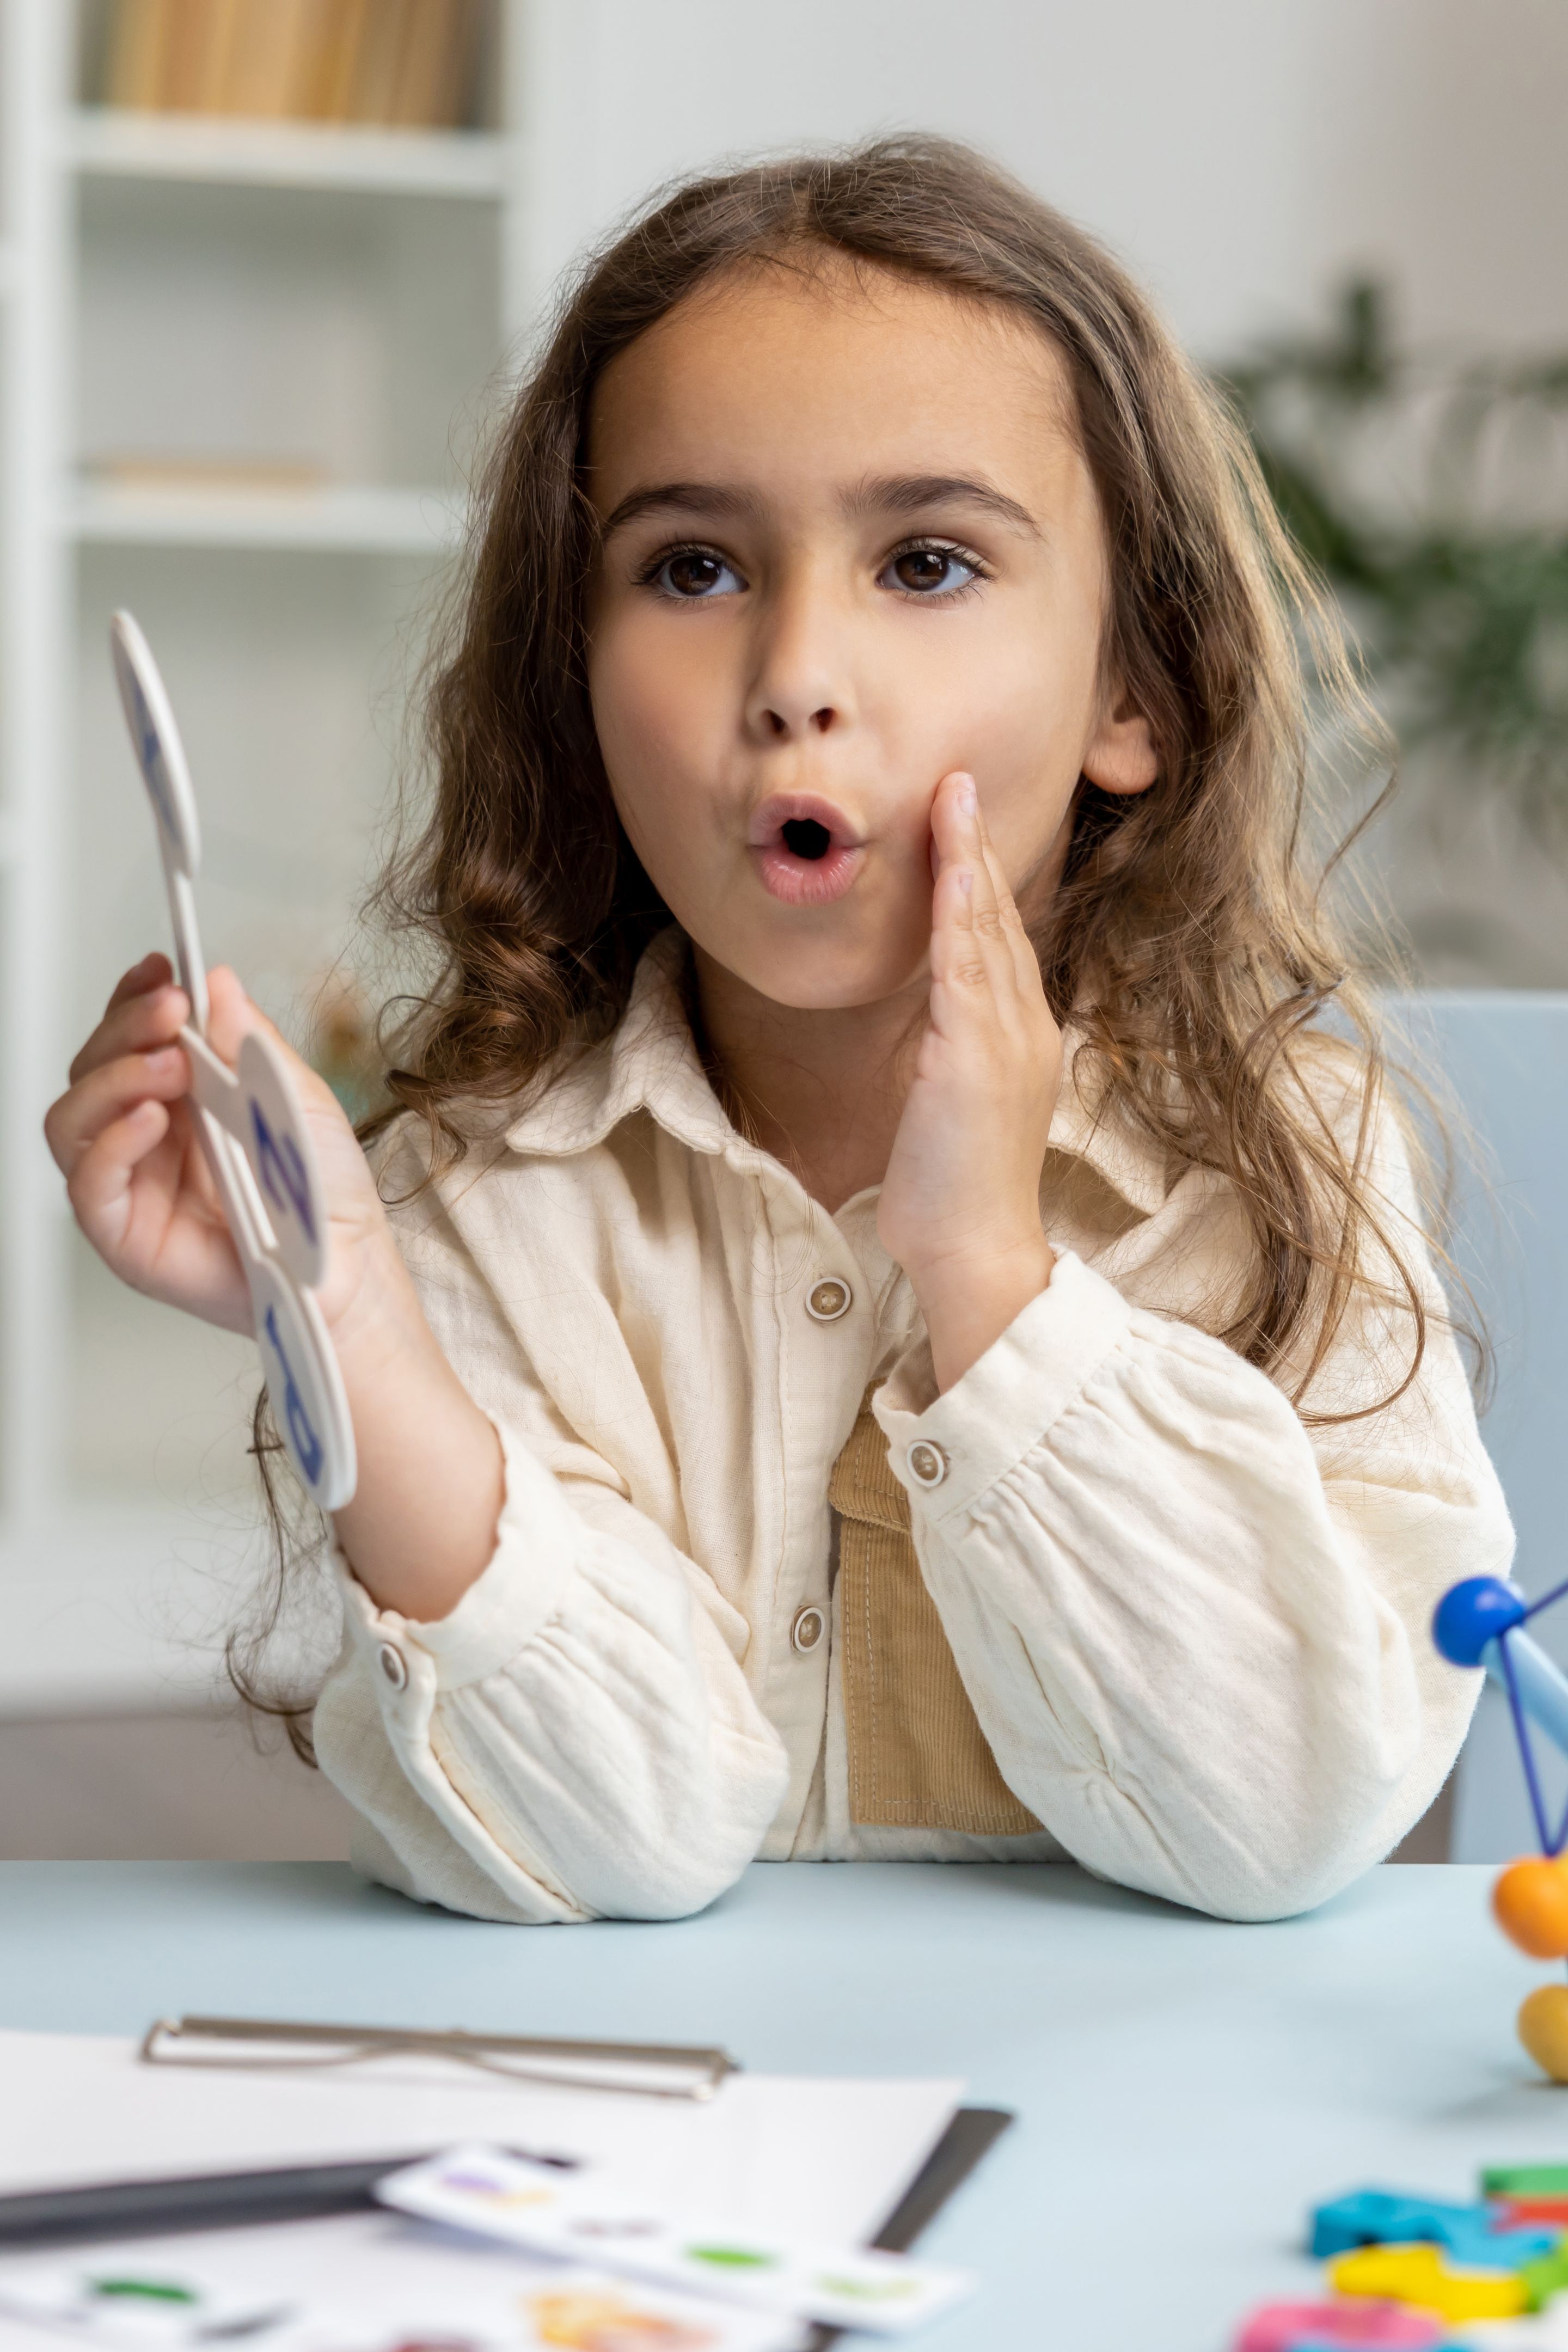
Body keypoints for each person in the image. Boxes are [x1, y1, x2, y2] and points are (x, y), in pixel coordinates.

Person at [45, 139, 1511, 1927]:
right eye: (691, 571)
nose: (798, 669)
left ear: (1139, 691)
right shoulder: (471, 1195)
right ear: (575, 689)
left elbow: (1286, 1820)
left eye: (929, 561)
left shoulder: (1296, 1155)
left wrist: (988, 1278)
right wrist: (354, 1331)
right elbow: (622, 1845)